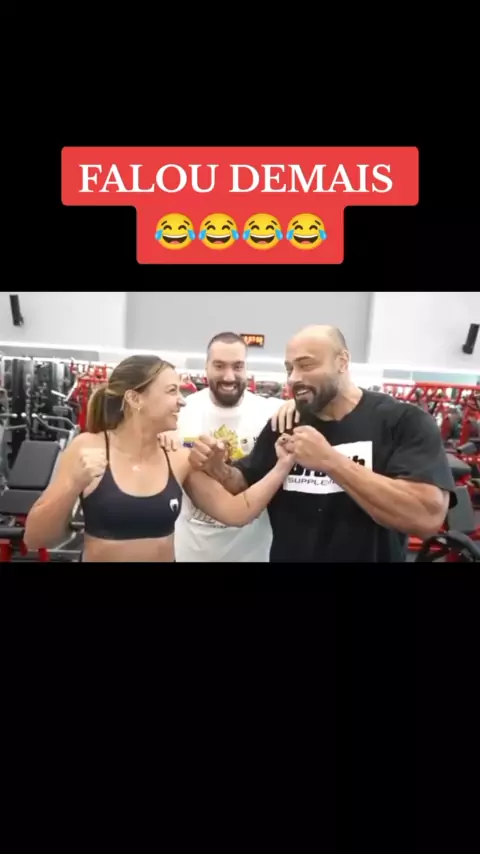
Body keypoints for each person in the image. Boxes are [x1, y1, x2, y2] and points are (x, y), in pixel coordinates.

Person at [187, 325, 457, 562]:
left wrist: (330, 461)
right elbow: (244, 483)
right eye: (289, 368)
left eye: (306, 365)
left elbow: (426, 518)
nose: (293, 378)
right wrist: (219, 469)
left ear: (342, 361)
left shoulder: (403, 422)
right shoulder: (286, 423)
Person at [23, 355, 295, 562]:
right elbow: (36, 538)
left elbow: (238, 511)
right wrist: (72, 485)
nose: (182, 401)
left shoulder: (177, 457)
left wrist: (282, 466)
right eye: (171, 391)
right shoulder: (87, 448)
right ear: (135, 399)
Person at [164, 332, 283, 562]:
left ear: (246, 368)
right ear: (206, 367)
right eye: (219, 366)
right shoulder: (181, 412)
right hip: (192, 553)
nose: (229, 376)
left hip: (252, 555)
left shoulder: (271, 413)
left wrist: (293, 406)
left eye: (237, 366)